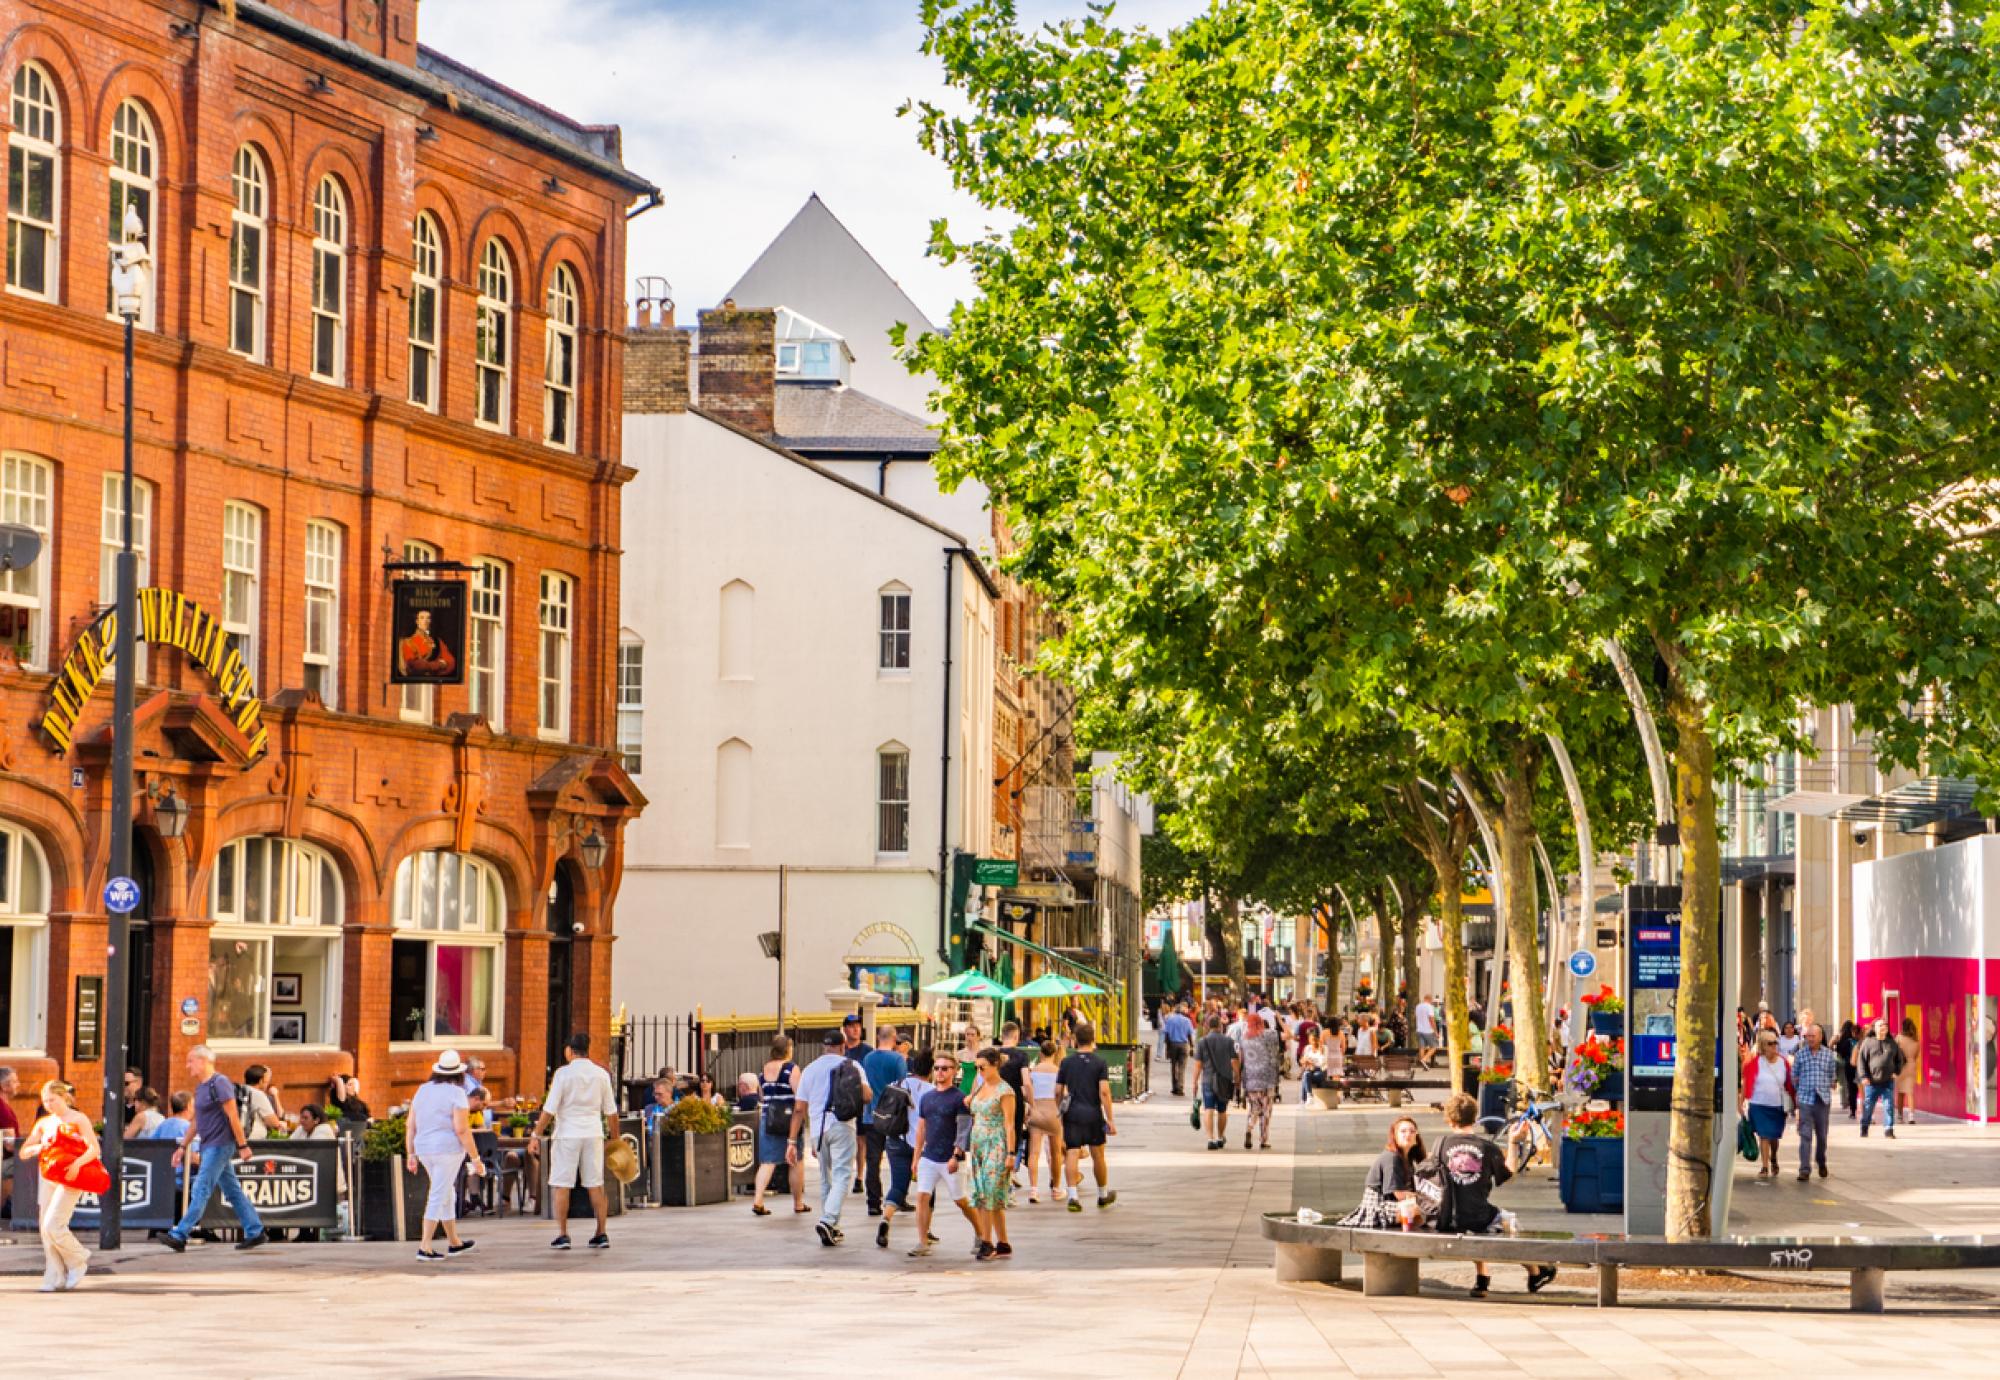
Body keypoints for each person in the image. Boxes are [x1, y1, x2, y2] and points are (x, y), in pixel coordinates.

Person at [1431, 1091, 1552, 1298]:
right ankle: (1536, 1272)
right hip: (1479, 1217)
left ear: (1450, 1120)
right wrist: (1513, 1143)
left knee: (1472, 1221)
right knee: (1506, 1224)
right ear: (1475, 1118)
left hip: (1448, 1217)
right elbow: (1508, 1176)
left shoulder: (1439, 1145)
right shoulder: (1486, 1148)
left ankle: (1482, 1280)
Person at [161, 1045, 268, 1253]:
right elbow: (196, 1122)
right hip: (210, 1144)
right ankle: (255, 1231)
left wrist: (242, 1145)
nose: (187, 1065)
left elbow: (233, 1115)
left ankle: (179, 1234)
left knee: (201, 1188)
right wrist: (182, 1147)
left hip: (220, 1145)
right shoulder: (201, 1088)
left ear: (203, 1061)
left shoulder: (220, 1083)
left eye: (191, 1060)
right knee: (232, 1190)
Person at [528, 1031, 619, 1250]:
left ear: (569, 1050)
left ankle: (563, 1233)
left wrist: (535, 1135)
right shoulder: (601, 1075)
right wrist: (615, 1139)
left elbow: (549, 1109)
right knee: (595, 1184)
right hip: (593, 1133)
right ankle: (601, 1231)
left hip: (567, 1133)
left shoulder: (563, 1074)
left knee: (562, 1184)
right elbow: (611, 1112)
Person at [789, 1028, 873, 1246]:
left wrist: (791, 1141)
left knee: (826, 1179)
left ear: (824, 1046)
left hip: (818, 1129)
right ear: (843, 1046)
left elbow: (799, 1108)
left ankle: (832, 1227)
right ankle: (828, 1220)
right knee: (843, 1175)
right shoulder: (852, 1066)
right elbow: (867, 1095)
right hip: (843, 1126)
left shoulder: (810, 1069)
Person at [18, 1079, 100, 1290]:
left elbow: (94, 1149)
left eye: (52, 1100)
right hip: (48, 1175)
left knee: (53, 1224)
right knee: (46, 1230)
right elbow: (24, 1151)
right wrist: (38, 1147)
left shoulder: (78, 1118)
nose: (49, 1105)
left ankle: (77, 1259)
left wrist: (77, 1164)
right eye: (45, 1101)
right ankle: (54, 1276)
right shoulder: (44, 1123)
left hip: (71, 1176)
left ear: (64, 1097)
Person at [405, 1050, 485, 1260]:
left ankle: (454, 1242)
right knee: (438, 1193)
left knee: (446, 1192)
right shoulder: (456, 1093)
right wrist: (476, 1158)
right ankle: (425, 1247)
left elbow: (410, 1125)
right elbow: (462, 1129)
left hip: (423, 1147)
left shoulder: (422, 1090)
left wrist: (410, 1153)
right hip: (447, 1149)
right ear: (459, 1073)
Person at [907, 1052, 979, 1258]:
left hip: (950, 1158)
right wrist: (916, 1157)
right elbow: (921, 1128)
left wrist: (956, 1156)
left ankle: (980, 1233)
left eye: (945, 1068)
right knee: (922, 1197)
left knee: (960, 1200)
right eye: (937, 1068)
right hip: (929, 1157)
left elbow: (964, 1129)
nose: (940, 1072)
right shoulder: (927, 1097)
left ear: (954, 1071)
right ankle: (922, 1242)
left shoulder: (959, 1099)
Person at [1057, 1020, 1117, 1209]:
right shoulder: (1100, 1062)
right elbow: (1104, 1092)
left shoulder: (1066, 1062)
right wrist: (1110, 1119)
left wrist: (1060, 1110)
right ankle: (1102, 1194)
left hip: (1072, 1113)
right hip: (1093, 1113)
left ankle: (1073, 1197)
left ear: (1075, 1040)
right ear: (1093, 1040)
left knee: (1072, 1153)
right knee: (1098, 1155)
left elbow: (1058, 1091)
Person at [967, 1047, 1017, 1259]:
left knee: (988, 1192)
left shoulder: (1005, 1091)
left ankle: (987, 1242)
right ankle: (1003, 1242)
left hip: (996, 1144)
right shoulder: (980, 1085)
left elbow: (1009, 1124)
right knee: (983, 1193)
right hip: (978, 1144)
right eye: (977, 1068)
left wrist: (1011, 1153)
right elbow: (971, 1105)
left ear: (995, 1065)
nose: (979, 1071)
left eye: (983, 1067)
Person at [878, 1049, 931, 1246]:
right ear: (931, 1069)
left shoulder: (895, 1085)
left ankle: (886, 1219)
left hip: (895, 1141)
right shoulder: (931, 1091)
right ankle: (926, 1230)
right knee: (926, 1189)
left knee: (898, 1187)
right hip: (923, 1145)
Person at [751, 1035, 807, 1217]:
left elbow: (761, 1095)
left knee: (768, 1161)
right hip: (789, 1119)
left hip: (768, 1118)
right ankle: (798, 1203)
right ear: (788, 1049)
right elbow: (799, 1094)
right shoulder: (791, 1069)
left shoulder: (763, 1070)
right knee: (795, 1160)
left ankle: (758, 1199)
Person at [1338, 1116, 1426, 1229]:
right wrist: (1426, 1198)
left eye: (1412, 1131)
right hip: (1377, 1209)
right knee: (1422, 1207)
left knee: (1424, 1209)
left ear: (1416, 1137)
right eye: (1403, 1131)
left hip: (1394, 1206)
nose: (1408, 1134)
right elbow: (1400, 1195)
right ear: (1394, 1135)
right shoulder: (1392, 1158)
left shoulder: (1407, 1158)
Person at [861, 1024, 908, 1217]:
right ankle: (898, 1197)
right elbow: (903, 1087)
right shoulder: (897, 1059)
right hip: (893, 1118)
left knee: (873, 1161)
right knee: (898, 1160)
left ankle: (873, 1201)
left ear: (878, 1037)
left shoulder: (868, 1058)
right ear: (894, 1037)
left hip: (871, 1115)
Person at [1740, 1027, 1794, 1177]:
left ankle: (1774, 1157)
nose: (1774, 1046)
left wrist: (1795, 1104)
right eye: (1770, 1044)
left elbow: (1789, 1085)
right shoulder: (1754, 1063)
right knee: (1764, 1135)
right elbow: (1746, 1084)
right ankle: (1764, 1167)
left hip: (1777, 1106)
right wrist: (1740, 1102)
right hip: (1759, 1104)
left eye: (1775, 1043)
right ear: (1763, 1046)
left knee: (1774, 1137)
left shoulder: (1784, 1063)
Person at [1792, 1022, 1837, 1181]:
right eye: (1808, 1036)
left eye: (1813, 1036)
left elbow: (1833, 1075)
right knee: (1805, 1135)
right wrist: (1800, 1090)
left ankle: (1821, 1161)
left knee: (1822, 1136)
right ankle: (1804, 1169)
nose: (1809, 1039)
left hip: (1822, 1100)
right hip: (1805, 1099)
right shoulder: (1800, 1055)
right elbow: (1794, 1076)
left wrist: (1828, 1084)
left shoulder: (1829, 1055)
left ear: (1820, 1037)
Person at [1023, 1039, 1065, 1202]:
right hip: (1053, 1112)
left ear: (1040, 1053)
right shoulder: (1059, 1071)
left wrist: (1031, 1108)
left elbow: (1027, 1090)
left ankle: (1033, 1190)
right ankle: (1056, 1189)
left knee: (1034, 1153)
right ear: (1055, 1054)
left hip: (1037, 1110)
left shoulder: (1034, 1071)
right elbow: (1063, 1093)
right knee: (1055, 1153)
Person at [1194, 1014, 1240, 1151]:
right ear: (1220, 1026)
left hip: (1208, 1080)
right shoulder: (1229, 1041)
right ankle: (1220, 1137)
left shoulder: (1202, 1042)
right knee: (1222, 1110)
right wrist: (1237, 1076)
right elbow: (1234, 1061)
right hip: (1224, 1080)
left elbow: (1198, 1064)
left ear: (1208, 1026)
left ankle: (1211, 1139)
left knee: (1208, 1109)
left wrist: (1194, 1081)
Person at [1239, 1009, 1283, 1151]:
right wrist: (1280, 1020)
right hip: (1268, 1080)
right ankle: (1264, 1140)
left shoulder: (1244, 1038)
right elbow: (1288, 1035)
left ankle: (1249, 1128)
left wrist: (1240, 1078)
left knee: (1254, 1108)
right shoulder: (1269, 1035)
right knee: (1266, 1110)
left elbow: (1241, 1059)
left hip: (1251, 1080)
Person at [996, 1021, 1032, 1183]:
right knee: (1013, 1135)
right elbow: (1026, 1082)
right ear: (1016, 1036)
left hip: (995, 1098)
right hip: (1015, 1100)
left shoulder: (992, 1054)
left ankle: (998, 1175)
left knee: (997, 1137)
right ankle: (1009, 1177)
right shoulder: (1021, 1056)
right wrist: (1031, 1102)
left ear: (1002, 1036)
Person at [1856, 1017, 1904, 1138]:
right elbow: (1861, 1061)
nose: (1883, 1027)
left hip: (1888, 1082)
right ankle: (1864, 1127)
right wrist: (1863, 1077)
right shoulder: (1868, 1042)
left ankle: (1889, 1130)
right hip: (1871, 1082)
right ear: (1875, 1028)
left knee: (1889, 1106)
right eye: (1880, 1025)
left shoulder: (1892, 1043)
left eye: (1885, 1026)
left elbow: (1900, 1060)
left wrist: (1896, 1072)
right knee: (1869, 1107)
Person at [398, 607, 457, 677]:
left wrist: (431, 669)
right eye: (422, 618)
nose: (425, 621)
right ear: (417, 621)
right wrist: (439, 664)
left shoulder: (437, 641)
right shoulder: (408, 642)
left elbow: (451, 661)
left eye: (428, 618)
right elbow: (414, 665)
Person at [1160, 1003, 1195, 1096]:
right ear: (1183, 1012)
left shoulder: (1170, 1020)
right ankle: (1180, 1087)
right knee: (1182, 1067)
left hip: (1173, 1045)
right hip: (1184, 1045)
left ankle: (1174, 1087)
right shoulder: (1187, 1020)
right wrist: (1192, 1047)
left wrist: (1167, 1049)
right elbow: (1190, 1035)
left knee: (1173, 1066)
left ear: (1175, 1011)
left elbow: (1166, 1035)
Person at [241, 1064, 285, 1138]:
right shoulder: (258, 1094)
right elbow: (273, 1122)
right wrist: (279, 1124)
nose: (267, 1084)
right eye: (266, 1081)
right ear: (261, 1081)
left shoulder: (238, 1090)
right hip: (253, 1140)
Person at [1896, 1017, 1921, 1126]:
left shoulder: (1899, 1038)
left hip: (1901, 1067)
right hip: (1911, 1066)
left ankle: (1900, 1116)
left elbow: (1894, 1052)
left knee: (1901, 1093)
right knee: (1910, 1092)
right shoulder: (1916, 1041)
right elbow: (1916, 1056)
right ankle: (1911, 1116)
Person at [1833, 1020, 1861, 1117]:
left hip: (1849, 1066)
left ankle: (1852, 1109)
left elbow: (1840, 1052)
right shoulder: (1861, 1041)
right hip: (1861, 1067)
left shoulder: (1844, 1040)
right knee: (1860, 1089)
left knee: (1850, 1087)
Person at [1298, 1027, 1328, 1102]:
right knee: (1306, 1074)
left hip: (1320, 1071)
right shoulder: (1308, 1048)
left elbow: (1322, 1063)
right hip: (1310, 1070)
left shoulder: (1324, 1048)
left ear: (1318, 1039)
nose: (1313, 1042)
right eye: (1311, 1040)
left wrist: (1312, 1062)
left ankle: (1304, 1099)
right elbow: (1303, 1060)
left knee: (1308, 1076)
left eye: (1314, 1040)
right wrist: (1304, 1061)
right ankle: (1309, 1096)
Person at [1414, 994, 1439, 1068]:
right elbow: (1432, 1020)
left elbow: (1416, 1017)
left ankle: (1423, 1064)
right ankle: (1424, 1059)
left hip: (1419, 1030)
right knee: (1434, 1046)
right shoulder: (1429, 1007)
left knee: (1422, 1047)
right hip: (1428, 1030)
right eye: (1431, 1001)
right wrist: (1435, 1032)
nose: (1431, 1002)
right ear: (1429, 999)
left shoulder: (1418, 1006)